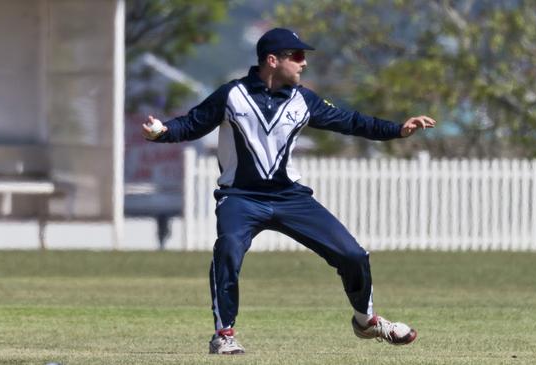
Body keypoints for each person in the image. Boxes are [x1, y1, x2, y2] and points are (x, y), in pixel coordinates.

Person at [143, 28, 436, 355]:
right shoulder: (232, 95)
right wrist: (164, 132)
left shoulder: (303, 100)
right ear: (272, 60)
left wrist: (397, 129)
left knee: (353, 255)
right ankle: (224, 334)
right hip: (240, 197)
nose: (304, 63)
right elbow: (193, 123)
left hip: (290, 197)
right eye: (296, 56)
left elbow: (350, 121)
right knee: (227, 250)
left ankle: (366, 320)